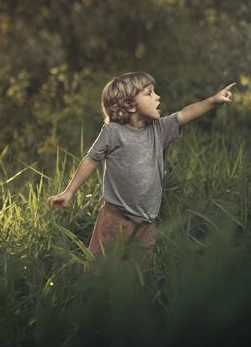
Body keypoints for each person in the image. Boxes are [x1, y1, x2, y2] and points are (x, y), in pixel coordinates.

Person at [48, 71, 235, 259]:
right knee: (101, 270)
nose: (157, 97)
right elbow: (91, 159)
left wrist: (212, 100)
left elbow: (185, 114)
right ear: (130, 105)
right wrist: (70, 191)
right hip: (115, 218)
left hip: (146, 222)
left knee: (140, 275)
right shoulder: (113, 132)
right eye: (149, 93)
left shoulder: (159, 129)